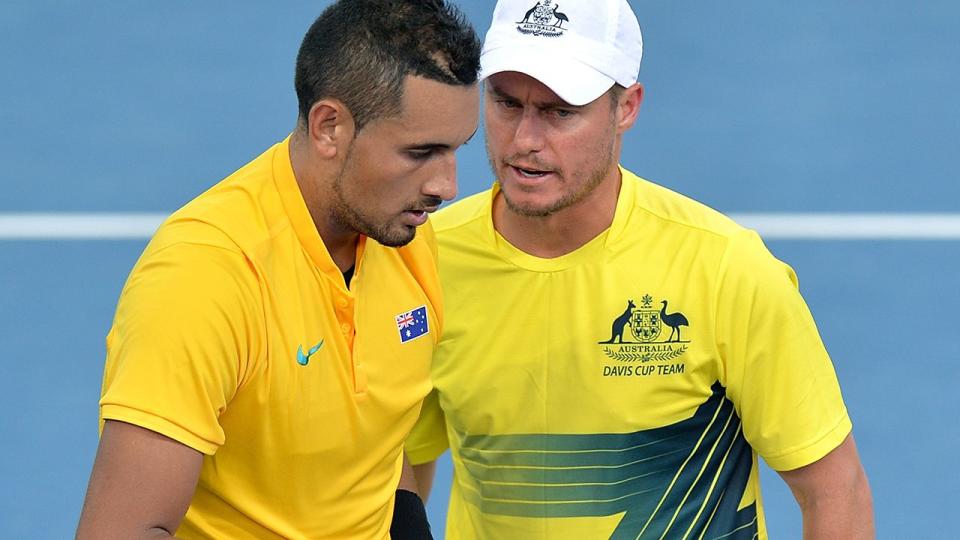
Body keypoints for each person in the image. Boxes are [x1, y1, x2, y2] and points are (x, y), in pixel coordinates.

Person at [406, 0, 875, 538]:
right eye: (506, 103)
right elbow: (403, 461)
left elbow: (835, 489)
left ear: (627, 106)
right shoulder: (424, 262)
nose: (524, 140)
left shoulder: (726, 269)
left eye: (561, 111)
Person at [75, 1, 480, 538]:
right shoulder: (205, 278)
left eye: (454, 150)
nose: (445, 187)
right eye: (420, 152)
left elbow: (379, 441)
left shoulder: (402, 232)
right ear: (329, 127)